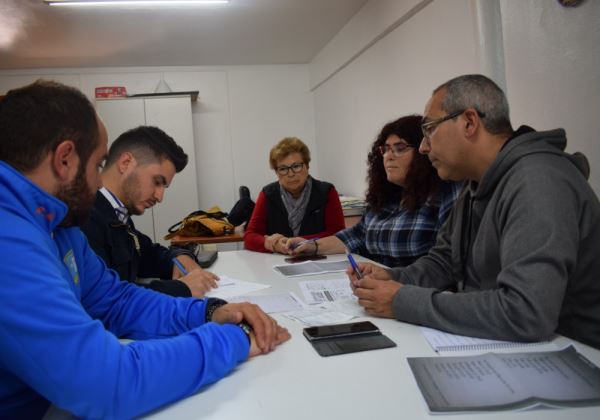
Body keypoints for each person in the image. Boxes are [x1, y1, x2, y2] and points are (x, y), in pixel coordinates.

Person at [0, 80, 290, 419]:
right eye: (96, 165)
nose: (98, 182)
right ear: (64, 159)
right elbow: (108, 383)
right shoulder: (10, 239)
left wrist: (208, 313)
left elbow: (116, 301)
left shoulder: (58, 226)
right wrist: (232, 340)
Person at [349, 74, 600, 349]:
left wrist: (401, 301)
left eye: (430, 129)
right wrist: (392, 279)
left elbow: (525, 312)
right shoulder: (475, 185)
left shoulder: (538, 181)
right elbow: (444, 262)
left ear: (469, 122)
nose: (423, 146)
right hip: (508, 345)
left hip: (575, 355)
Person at [286, 115, 462, 267]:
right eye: (385, 149)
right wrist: (312, 246)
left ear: (424, 152)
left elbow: (444, 263)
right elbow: (358, 234)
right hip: (375, 286)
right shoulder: (384, 197)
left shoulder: (442, 194)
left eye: (400, 148)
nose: (388, 156)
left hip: (411, 291)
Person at [81, 125, 218, 297]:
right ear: (126, 163)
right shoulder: (86, 219)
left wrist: (180, 257)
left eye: (164, 186)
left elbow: (149, 254)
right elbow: (107, 300)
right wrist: (182, 288)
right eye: (157, 181)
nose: (160, 197)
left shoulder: (119, 216)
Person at [244, 137, 345, 253]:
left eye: (296, 166)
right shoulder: (268, 194)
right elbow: (250, 236)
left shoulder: (326, 192)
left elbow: (338, 234)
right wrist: (273, 244)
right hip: (277, 262)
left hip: (318, 259)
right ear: (276, 172)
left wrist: (300, 242)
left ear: (307, 166)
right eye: (283, 169)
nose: (291, 174)